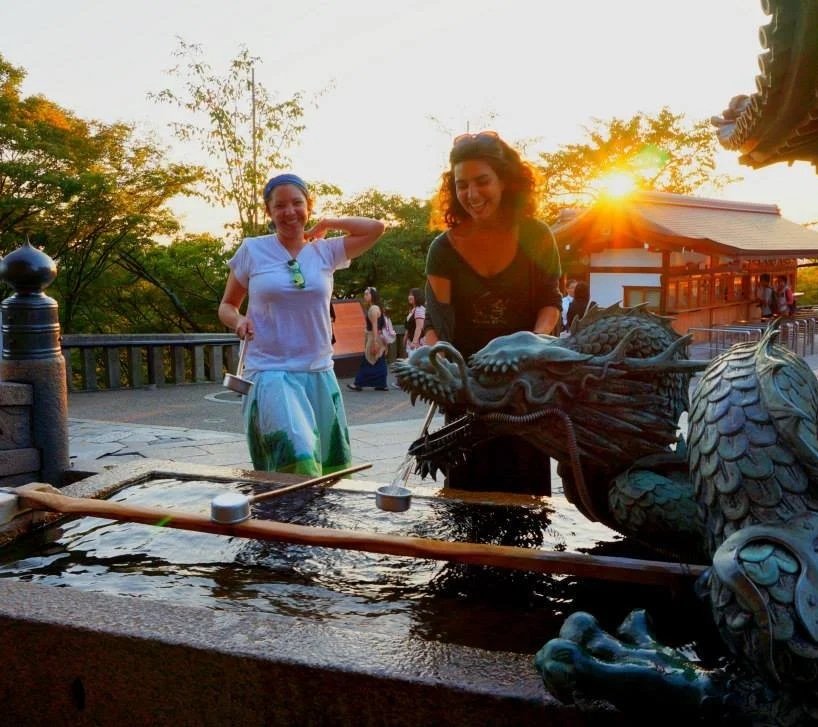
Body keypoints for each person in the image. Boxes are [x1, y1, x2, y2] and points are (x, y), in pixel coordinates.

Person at [423, 130, 563, 494]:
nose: (471, 195)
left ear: (505, 181)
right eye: (461, 185)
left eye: (482, 181)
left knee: (526, 498)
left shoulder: (536, 236)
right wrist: (445, 368)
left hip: (524, 390)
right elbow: (435, 323)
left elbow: (550, 301)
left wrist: (534, 344)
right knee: (465, 500)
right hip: (468, 391)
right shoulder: (443, 250)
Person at [218, 173, 384, 476]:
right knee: (295, 455)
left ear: (308, 206)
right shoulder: (252, 250)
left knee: (328, 467)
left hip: (317, 370)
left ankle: (307, 524)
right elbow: (226, 306)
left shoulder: (326, 250)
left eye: (297, 203)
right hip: (269, 371)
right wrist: (239, 320)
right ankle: (278, 521)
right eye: (279, 205)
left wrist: (330, 222)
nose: (289, 212)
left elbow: (376, 229)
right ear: (269, 211)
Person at [347, 286, 389, 391]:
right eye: (365, 294)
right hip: (378, 337)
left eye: (367, 294)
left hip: (373, 337)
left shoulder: (373, 309)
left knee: (368, 360)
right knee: (379, 360)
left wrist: (374, 342)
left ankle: (358, 383)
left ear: (372, 295)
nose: (365, 296)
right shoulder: (377, 308)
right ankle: (381, 384)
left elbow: (375, 326)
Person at [403, 287, 426, 354]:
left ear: (417, 296)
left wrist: (414, 342)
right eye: (409, 295)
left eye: (412, 295)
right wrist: (405, 339)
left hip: (418, 344)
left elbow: (419, 327)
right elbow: (408, 328)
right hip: (411, 342)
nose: (409, 297)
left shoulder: (419, 309)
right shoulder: (413, 310)